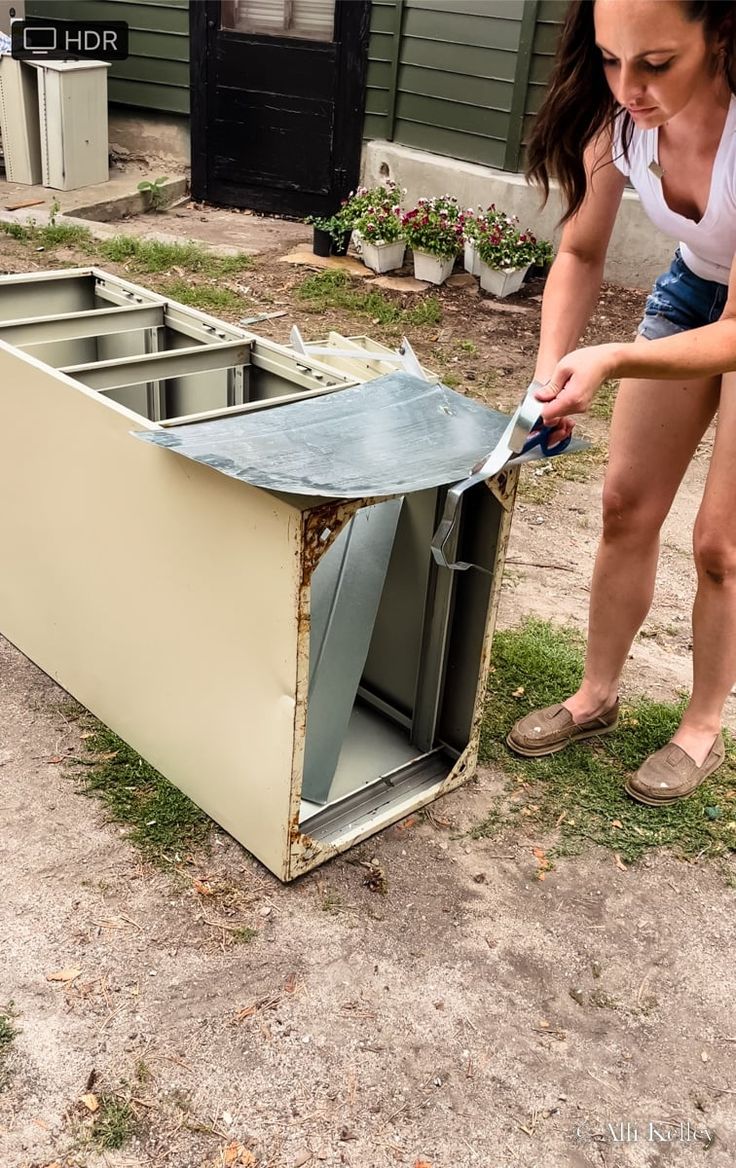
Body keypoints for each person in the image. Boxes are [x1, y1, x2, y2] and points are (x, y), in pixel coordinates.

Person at [506, 0, 736, 806]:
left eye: (656, 63)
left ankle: (702, 727)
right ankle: (595, 695)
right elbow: (579, 248)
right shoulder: (620, 121)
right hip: (691, 289)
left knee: (720, 543)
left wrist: (611, 357)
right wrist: (553, 371)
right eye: (610, 59)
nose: (627, 86)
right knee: (624, 503)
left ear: (722, 35)